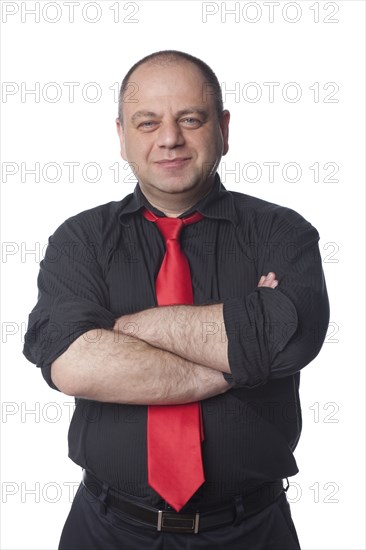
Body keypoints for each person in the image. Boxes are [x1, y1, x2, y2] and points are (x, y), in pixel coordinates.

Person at [23, 50, 330, 550]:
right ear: (122, 136)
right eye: (148, 123)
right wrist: (242, 355)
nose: (170, 138)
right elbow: (72, 364)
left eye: (191, 119)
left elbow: (290, 338)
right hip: (106, 531)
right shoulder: (80, 240)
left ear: (224, 129)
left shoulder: (282, 232)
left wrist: (118, 331)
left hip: (251, 530)